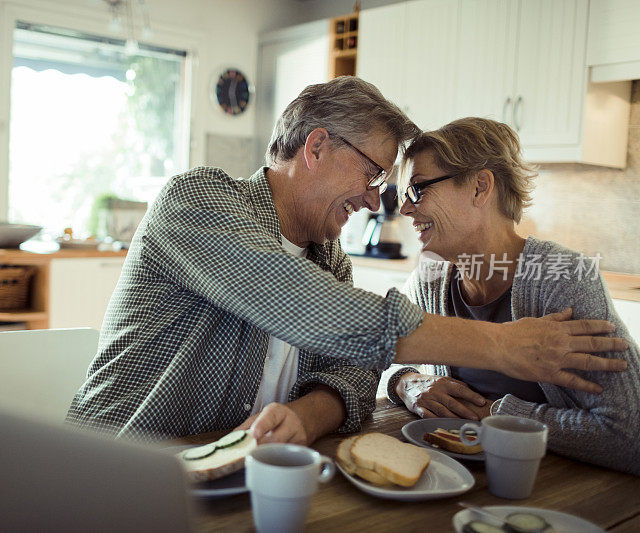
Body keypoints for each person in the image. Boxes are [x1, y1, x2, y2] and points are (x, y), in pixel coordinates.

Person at [66, 77, 627, 445]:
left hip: (235, 480)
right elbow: (312, 308)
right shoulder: (199, 201)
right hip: (116, 472)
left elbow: (356, 375)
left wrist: (306, 418)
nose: (376, 201)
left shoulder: (330, 258)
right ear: (316, 148)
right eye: (374, 175)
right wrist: (505, 347)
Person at [382, 117, 639, 474]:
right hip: (454, 482)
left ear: (479, 188)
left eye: (419, 189)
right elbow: (374, 355)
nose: (405, 209)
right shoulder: (430, 278)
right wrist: (407, 382)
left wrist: (494, 413)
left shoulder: (564, 280)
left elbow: (628, 435)